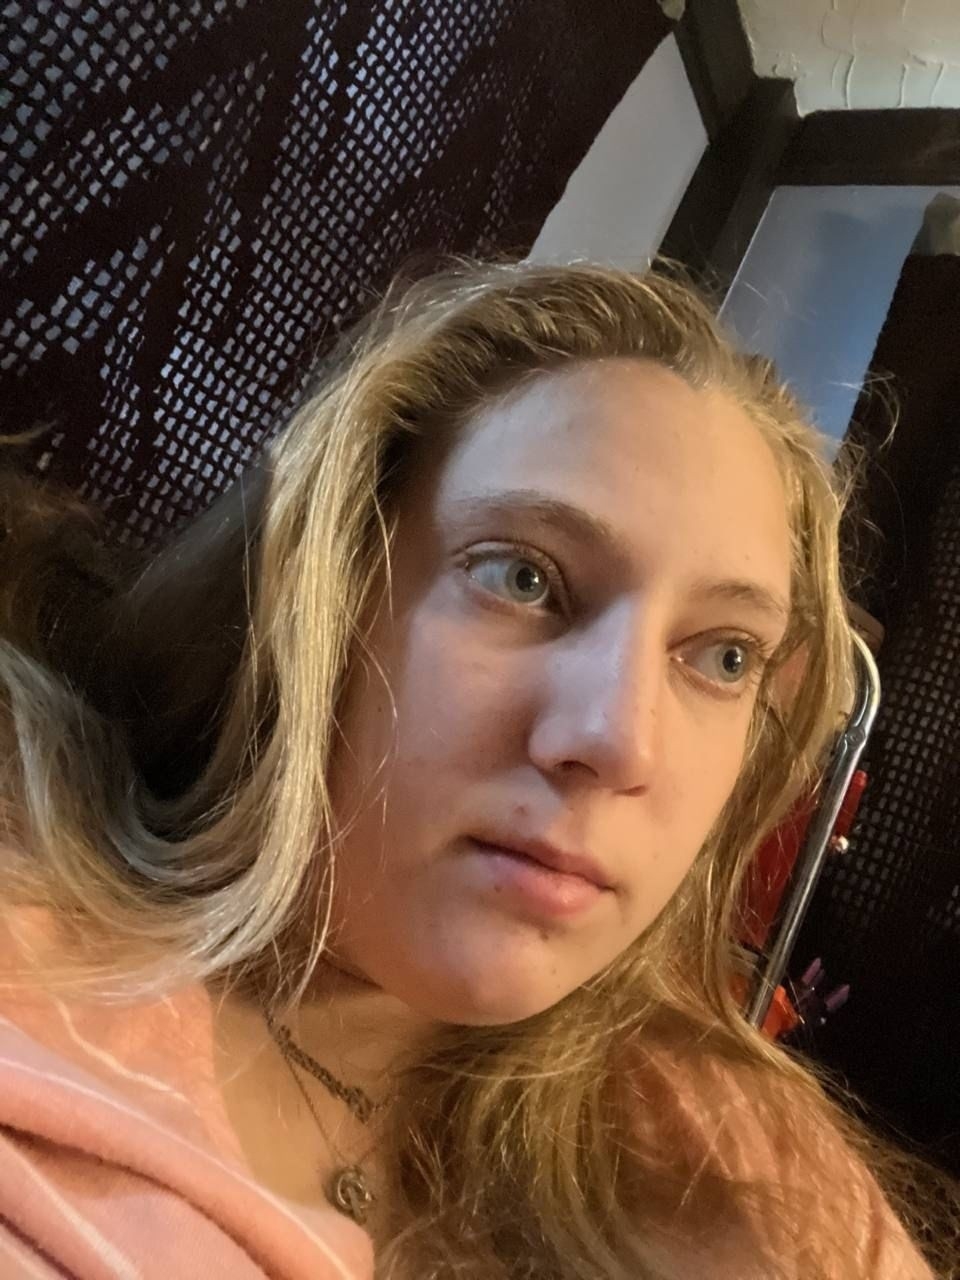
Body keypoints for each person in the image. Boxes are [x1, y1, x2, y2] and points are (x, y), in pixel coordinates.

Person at [0, 260, 955, 1280]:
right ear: (323, 579)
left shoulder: (750, 1169)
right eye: (523, 577)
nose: (619, 743)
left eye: (723, 655)